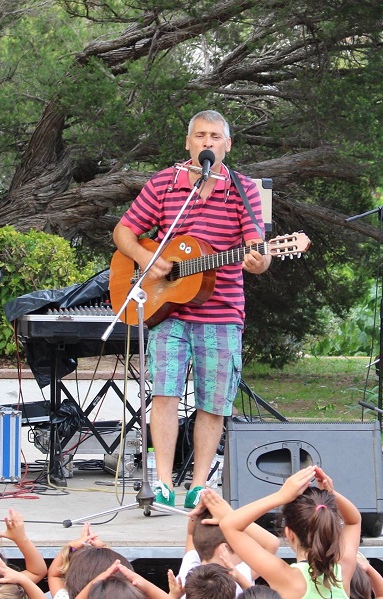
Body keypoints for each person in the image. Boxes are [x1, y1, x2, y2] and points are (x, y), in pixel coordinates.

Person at [112, 109, 270, 509]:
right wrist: (147, 261)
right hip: (167, 310)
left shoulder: (243, 189)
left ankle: (199, 484)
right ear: (188, 142)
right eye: (200, 135)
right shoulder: (165, 182)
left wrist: (261, 260)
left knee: (212, 401)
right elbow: (124, 232)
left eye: (215, 136)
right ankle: (162, 482)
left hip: (221, 312)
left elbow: (257, 249)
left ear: (227, 144)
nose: (207, 142)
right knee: (163, 394)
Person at [219, 465, 360, 599]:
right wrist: (331, 494)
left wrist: (281, 496)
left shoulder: (287, 578)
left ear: (289, 534)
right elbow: (354, 521)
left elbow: (229, 524)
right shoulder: (342, 571)